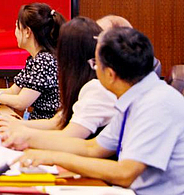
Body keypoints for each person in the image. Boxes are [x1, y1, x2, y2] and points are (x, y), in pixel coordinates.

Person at [16, 27, 184, 194]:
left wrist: (55, 157)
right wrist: (26, 139)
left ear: (110, 74)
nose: (94, 69)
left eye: (95, 64)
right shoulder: (135, 97)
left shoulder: (158, 104)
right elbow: (93, 148)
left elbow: (125, 173)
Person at [0, 17, 116, 142]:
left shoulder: (95, 89)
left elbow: (69, 137)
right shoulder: (81, 84)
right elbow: (57, 122)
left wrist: (23, 134)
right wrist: (16, 124)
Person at [0, 3, 65, 119]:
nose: (15, 32)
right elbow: (13, 92)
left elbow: (21, 102)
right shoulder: (35, 59)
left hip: (43, 126)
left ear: (27, 32)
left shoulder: (45, 60)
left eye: (17, 26)